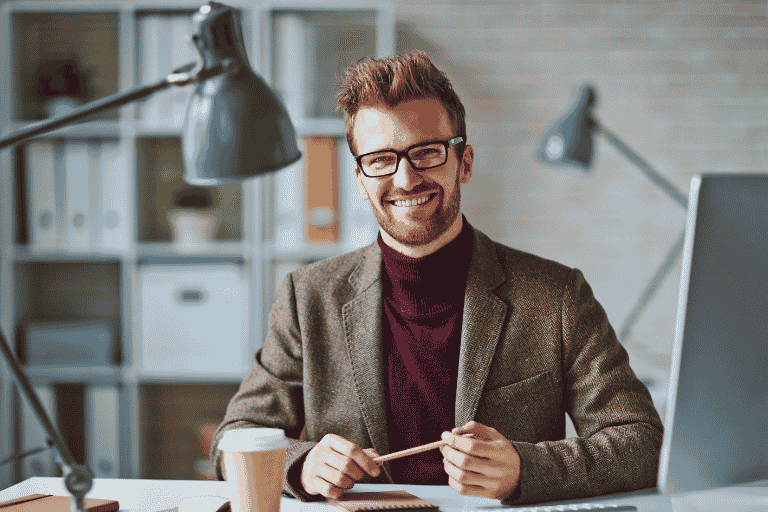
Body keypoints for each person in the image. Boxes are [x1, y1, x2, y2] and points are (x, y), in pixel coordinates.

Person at [211, 50, 663, 506]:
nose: (406, 179)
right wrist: (303, 464)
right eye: (381, 160)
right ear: (361, 178)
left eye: (426, 153)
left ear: (463, 162)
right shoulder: (307, 297)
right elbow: (234, 439)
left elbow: (642, 442)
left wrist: (528, 467)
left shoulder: (556, 296)